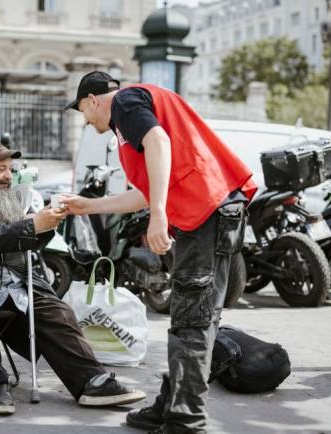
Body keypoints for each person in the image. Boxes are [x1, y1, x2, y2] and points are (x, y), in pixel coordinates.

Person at [61, 71, 257, 433]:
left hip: (206, 213)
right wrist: (86, 206)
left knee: (191, 319)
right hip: (213, 210)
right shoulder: (131, 116)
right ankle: (173, 404)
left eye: (83, 113)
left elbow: (158, 142)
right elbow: (145, 191)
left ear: (92, 100)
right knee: (197, 316)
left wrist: (159, 215)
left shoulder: (125, 103)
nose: (87, 122)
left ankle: (186, 420)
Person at [0, 137, 145, 415]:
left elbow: (27, 241)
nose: (7, 176)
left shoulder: (5, 196)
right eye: (0, 169)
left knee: (56, 309)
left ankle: (91, 381)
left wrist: (48, 222)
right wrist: (32, 225)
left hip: (10, 283)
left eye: (10, 169)